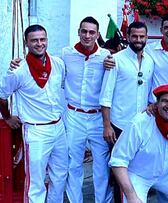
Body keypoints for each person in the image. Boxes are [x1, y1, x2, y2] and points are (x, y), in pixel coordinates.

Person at [0, 24, 68, 202]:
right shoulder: (18, 70)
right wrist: (7, 117)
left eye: (42, 39)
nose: (39, 43)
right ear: (26, 43)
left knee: (60, 176)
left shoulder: (58, 63)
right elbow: (1, 96)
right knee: (35, 183)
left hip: (58, 127)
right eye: (34, 40)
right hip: (36, 131)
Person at [99, 21, 154, 203]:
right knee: (118, 171)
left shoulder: (150, 61)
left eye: (142, 36)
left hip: (141, 125)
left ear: (146, 38)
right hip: (119, 125)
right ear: (128, 37)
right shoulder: (116, 60)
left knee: (137, 170)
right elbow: (106, 95)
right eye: (135, 36)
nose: (138, 40)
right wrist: (107, 125)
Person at [61, 16, 113, 203]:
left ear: (97, 34)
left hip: (98, 117)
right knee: (73, 163)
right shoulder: (66, 54)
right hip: (74, 115)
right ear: (78, 32)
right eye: (84, 31)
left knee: (101, 165)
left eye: (92, 32)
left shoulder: (107, 56)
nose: (87, 35)